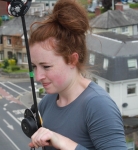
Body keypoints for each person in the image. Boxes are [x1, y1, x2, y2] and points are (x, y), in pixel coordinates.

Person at [28, 0, 127, 149]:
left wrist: (64, 143)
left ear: (72, 59)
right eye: (34, 67)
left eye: (46, 66)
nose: (38, 76)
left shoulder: (98, 105)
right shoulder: (47, 102)